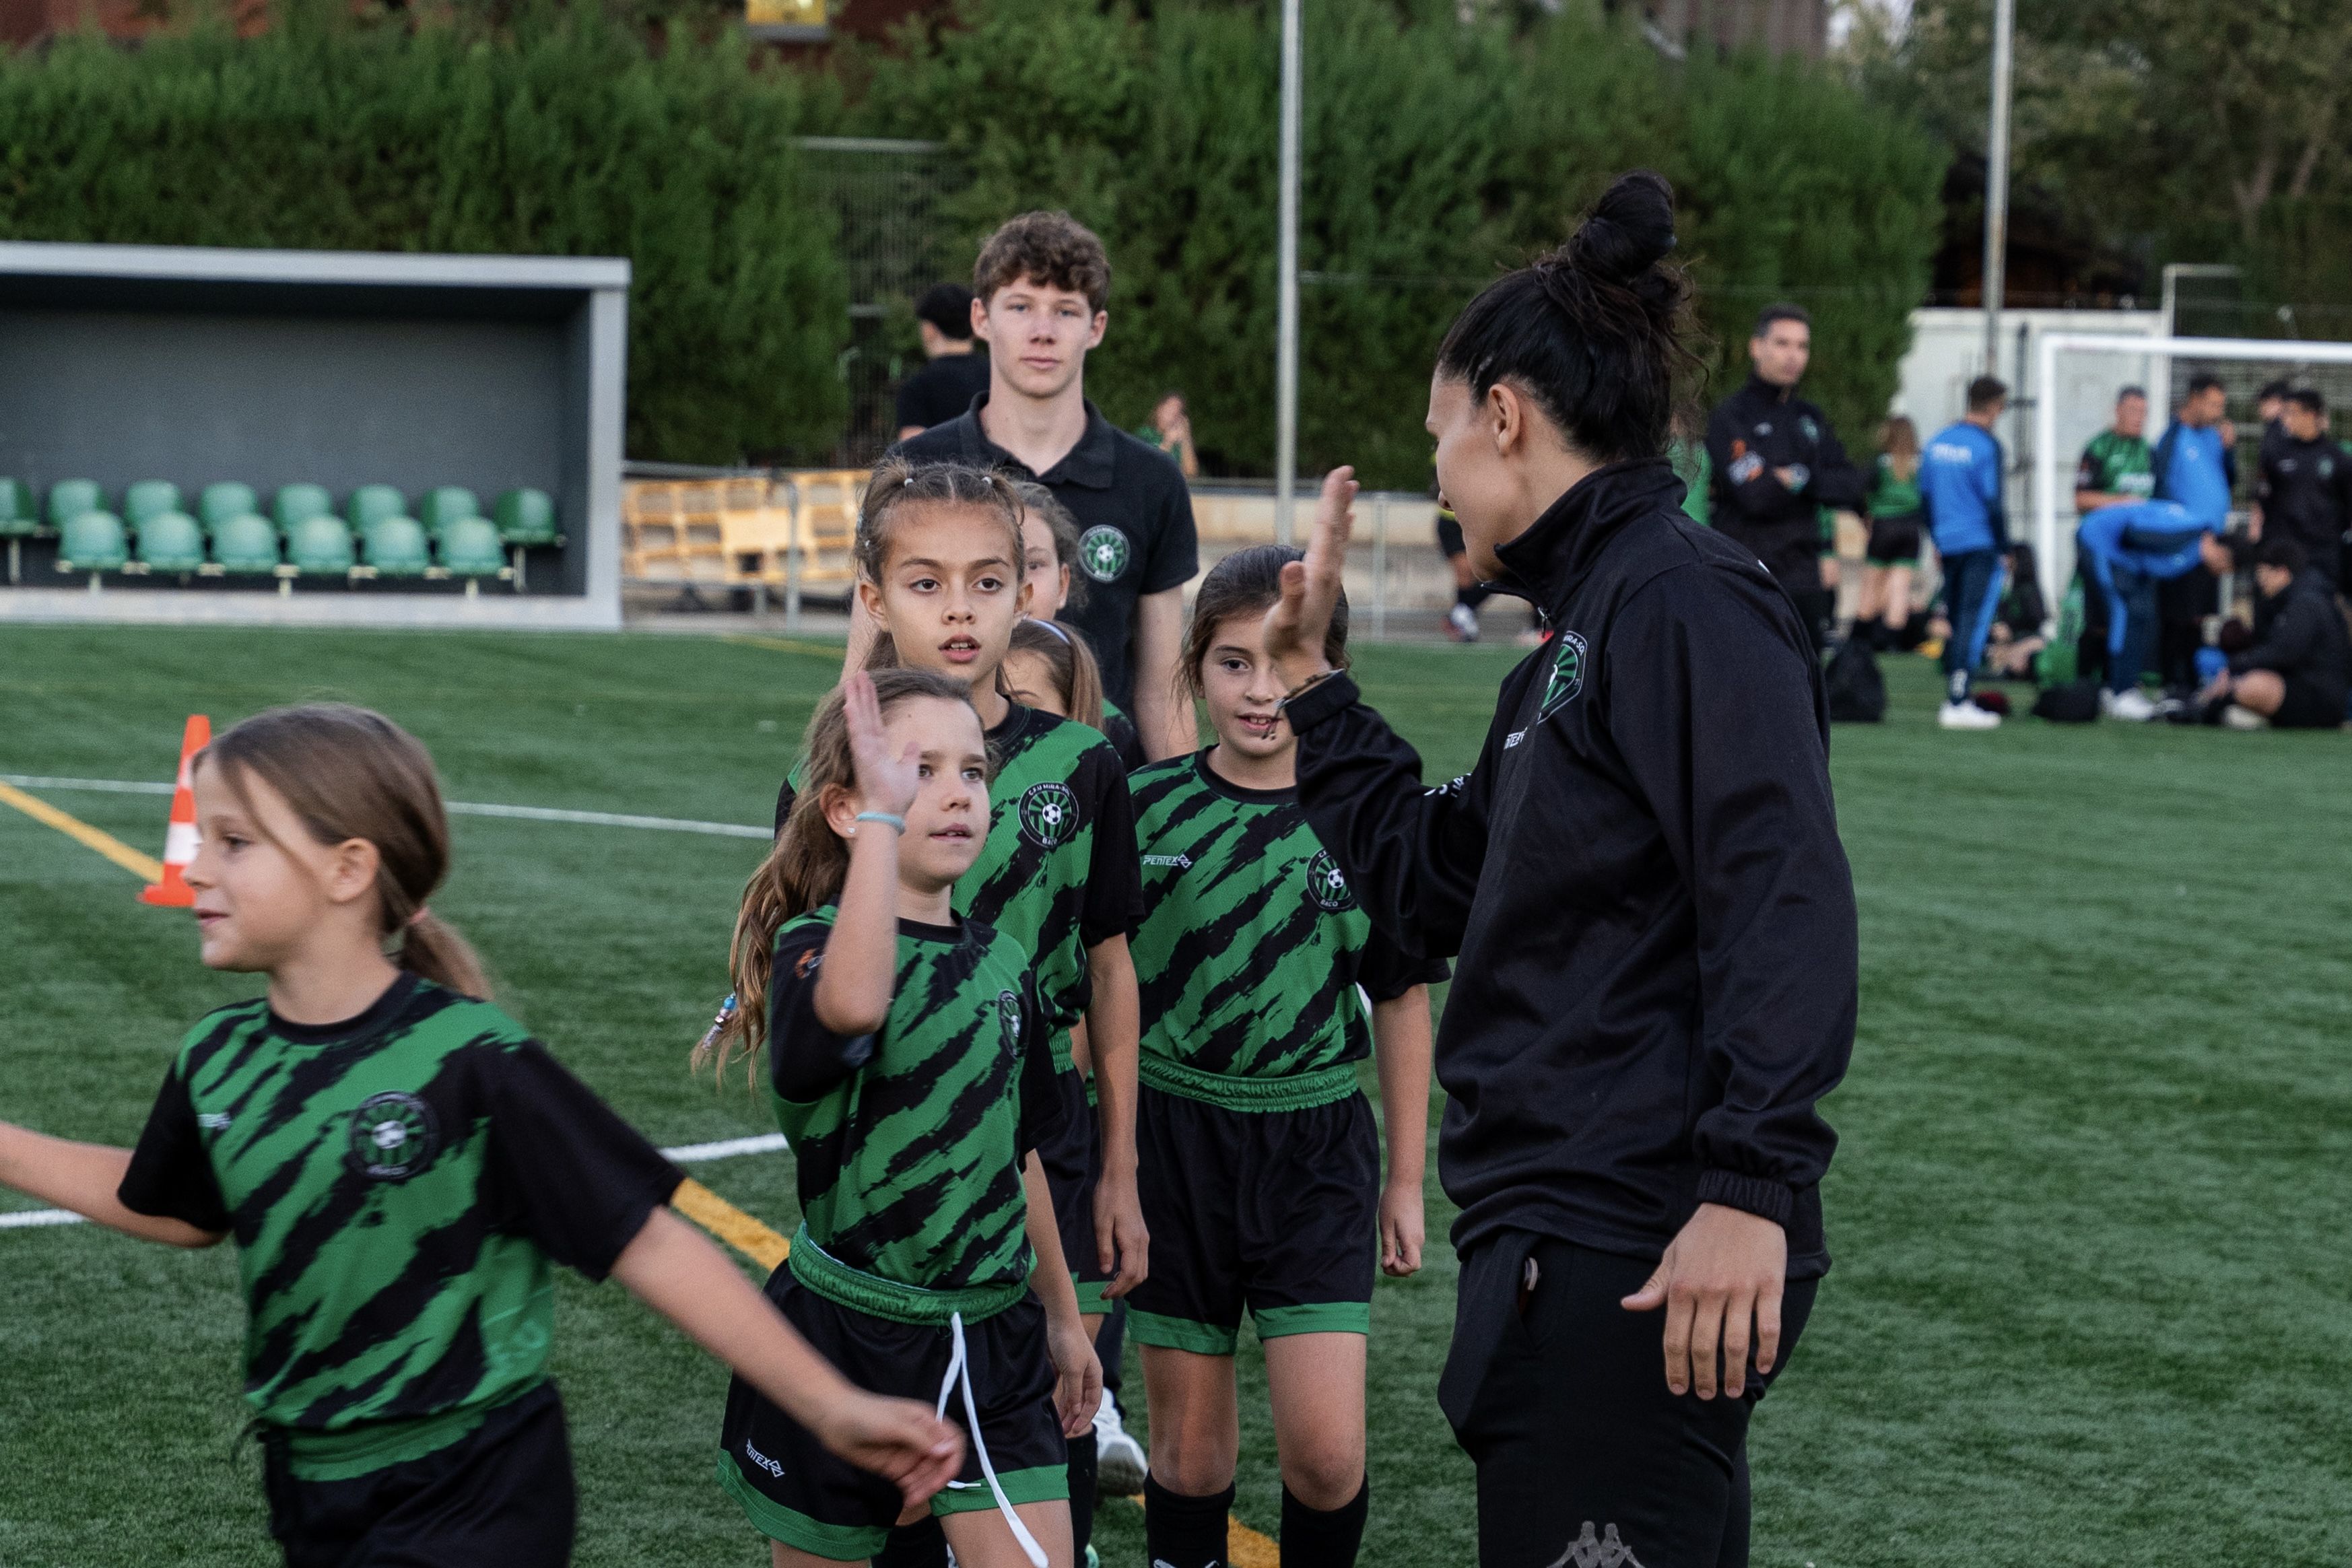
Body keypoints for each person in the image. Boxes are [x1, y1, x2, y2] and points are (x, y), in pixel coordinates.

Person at [1260, 171, 1855, 1568]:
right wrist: (1312, 688)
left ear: (1507, 416)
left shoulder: (1680, 602)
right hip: (1570, 1243)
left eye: (1440, 437)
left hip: (1637, 1245)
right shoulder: (1581, 639)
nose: (1436, 478)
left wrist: (1750, 1186)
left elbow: (1783, 897)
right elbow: (1424, 885)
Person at [0, 703, 962, 1566]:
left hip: (474, 1482)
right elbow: (174, 1207)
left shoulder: (471, 1059)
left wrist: (828, 1404)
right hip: (312, 1480)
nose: (195, 865)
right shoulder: (219, 1056)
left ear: (348, 869)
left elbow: (652, 1241)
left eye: (234, 841)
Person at [774, 463, 1148, 1566]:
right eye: (925, 581)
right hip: (883, 1182)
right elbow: (820, 972)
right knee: (885, 1503)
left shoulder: (1083, 761)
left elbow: (1110, 961)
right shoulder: (843, 767)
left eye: (988, 580)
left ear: (1023, 591)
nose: (960, 608)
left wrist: (1120, 1164)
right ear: (876, 596)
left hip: (1037, 1138)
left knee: (1044, 1435)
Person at [709, 669, 1100, 1568]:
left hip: (991, 1341)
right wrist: (887, 823)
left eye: (973, 769)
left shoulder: (1006, 963)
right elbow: (853, 1006)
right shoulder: (814, 950)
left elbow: (1022, 1153)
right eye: (918, 770)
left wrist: (1064, 1318)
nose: (958, 790)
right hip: (844, 1335)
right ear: (849, 811)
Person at [1124, 546, 1446, 1568]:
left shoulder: (1365, 818)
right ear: (1194, 670)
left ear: (1325, 664)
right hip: (1174, 1142)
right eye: (1231, 664)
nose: (1261, 692)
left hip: (1315, 1149)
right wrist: (1111, 1166)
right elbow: (1099, 991)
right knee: (1187, 1454)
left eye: (1282, 663)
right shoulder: (1142, 811)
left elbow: (1400, 996)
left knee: (1325, 1454)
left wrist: (1403, 1179)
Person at [894, 212, 1201, 761]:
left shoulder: (1151, 481)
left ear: (1097, 327)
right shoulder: (916, 467)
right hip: (946, 794)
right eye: (1020, 307)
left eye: (1065, 311)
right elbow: (871, 662)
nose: (1042, 331)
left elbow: (1160, 686)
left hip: (1101, 801)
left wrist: (1178, 818)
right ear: (981, 318)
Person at [1704, 301, 1868, 652]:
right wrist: (1814, 482)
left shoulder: (1809, 417)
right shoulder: (1731, 417)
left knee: (1805, 691)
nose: (1793, 355)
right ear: (1756, 347)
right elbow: (1756, 496)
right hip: (1743, 573)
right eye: (1782, 343)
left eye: (1802, 346)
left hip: (1803, 578)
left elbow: (1851, 486)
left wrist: (1800, 478)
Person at [1014, 479, 1146, 766]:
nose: (1018, 585)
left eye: (1034, 565)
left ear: (1063, 585)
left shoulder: (1111, 727)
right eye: (995, 568)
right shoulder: (941, 707)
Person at [2071, 500, 2229, 719]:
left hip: (2122, 557)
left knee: (2140, 614)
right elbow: (2133, 533)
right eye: (2227, 564)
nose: (2223, 571)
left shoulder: (2193, 548)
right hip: (2100, 541)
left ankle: (2120, 687)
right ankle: (2120, 691)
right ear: (2220, 549)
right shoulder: (2189, 532)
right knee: (2124, 613)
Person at [1919, 376, 2012, 729]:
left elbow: (1926, 499)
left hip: (1949, 542)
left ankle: (1957, 694)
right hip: (1979, 544)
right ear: (1994, 406)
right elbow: (1993, 502)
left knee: (1957, 619)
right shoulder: (1987, 446)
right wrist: (2004, 547)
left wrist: (1938, 541)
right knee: (1972, 623)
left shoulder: (1937, 442)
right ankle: (1958, 701)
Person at [2198, 536, 2351, 729]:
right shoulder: (2297, 599)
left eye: (2263, 572)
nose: (2260, 581)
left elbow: (2284, 652)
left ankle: (2221, 707)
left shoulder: (2306, 603)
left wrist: (2236, 665)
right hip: (2305, 687)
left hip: (2319, 698)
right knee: (2244, 678)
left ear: (2281, 572)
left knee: (2251, 685)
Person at [2150, 374, 2239, 690]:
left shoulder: (2214, 438)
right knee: (2177, 613)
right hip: (2184, 539)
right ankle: (2171, 680)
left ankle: (2190, 678)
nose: (2218, 412)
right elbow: (2161, 492)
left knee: (2200, 616)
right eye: (2214, 404)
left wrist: (2229, 452)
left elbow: (2227, 481)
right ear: (2195, 400)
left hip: (2211, 538)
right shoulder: (2172, 438)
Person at [2070, 386, 2157, 684]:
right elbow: (2080, 500)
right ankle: (2085, 680)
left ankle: (2118, 682)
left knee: (2132, 615)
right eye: (2133, 411)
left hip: (2134, 550)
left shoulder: (2149, 452)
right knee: (2098, 617)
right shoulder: (2098, 448)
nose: (2139, 419)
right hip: (2099, 548)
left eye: (2144, 413)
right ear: (2117, 410)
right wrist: (2121, 502)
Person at [2254, 388, 2352, 587]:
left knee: (2316, 604)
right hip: (2283, 549)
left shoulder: (2337, 458)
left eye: (2291, 413)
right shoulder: (2276, 454)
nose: (2286, 419)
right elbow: (2263, 498)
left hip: (2322, 551)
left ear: (2311, 415)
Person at [1854, 415, 1924, 650]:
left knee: (1872, 582)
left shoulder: (1881, 463)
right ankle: (1892, 639)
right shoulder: (1919, 464)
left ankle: (1861, 637)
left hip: (1885, 525)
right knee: (1900, 586)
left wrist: (1865, 514)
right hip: (1911, 527)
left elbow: (1857, 490)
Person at [896, 283, 993, 440]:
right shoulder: (999, 378)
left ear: (929, 329)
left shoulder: (917, 387)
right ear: (975, 325)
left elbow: (912, 452)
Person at [1982, 541, 2048, 679]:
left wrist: (2011, 630)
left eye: (2010, 557)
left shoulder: (2028, 589)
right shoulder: (2004, 586)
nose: (2006, 561)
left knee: (2015, 660)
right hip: (2007, 641)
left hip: (2027, 640)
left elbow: (2037, 619)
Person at [1136, 391, 1201, 479]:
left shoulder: (1179, 440)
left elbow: (1192, 473)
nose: (1174, 415)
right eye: (1170, 409)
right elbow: (1148, 467)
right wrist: (1167, 443)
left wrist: (1186, 437)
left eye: (1178, 412)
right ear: (1159, 410)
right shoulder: (1145, 434)